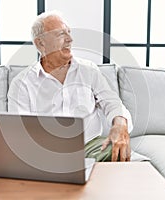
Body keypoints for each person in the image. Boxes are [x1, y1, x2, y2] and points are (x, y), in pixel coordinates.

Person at [8, 11, 133, 162]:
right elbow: (18, 133)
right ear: (40, 42)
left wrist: (120, 123)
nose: (70, 39)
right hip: (46, 152)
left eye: (69, 33)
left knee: (120, 152)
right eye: (61, 34)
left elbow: (112, 103)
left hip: (89, 147)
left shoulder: (89, 70)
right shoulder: (22, 83)